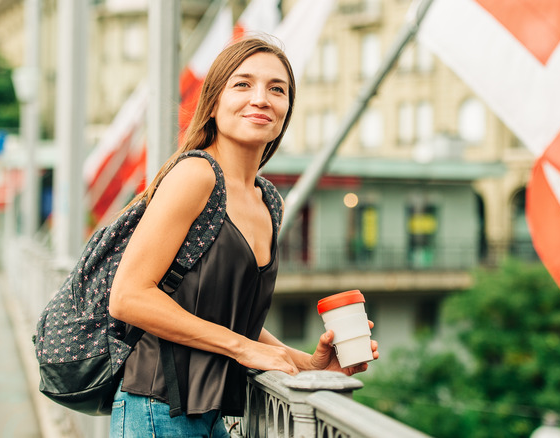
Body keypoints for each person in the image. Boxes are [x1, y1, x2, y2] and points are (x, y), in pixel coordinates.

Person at [108, 36, 379, 437]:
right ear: (214, 103)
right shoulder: (195, 175)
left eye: (277, 89)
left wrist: (309, 364)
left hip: (213, 416)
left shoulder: (269, 200)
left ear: (287, 110)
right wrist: (243, 349)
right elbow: (128, 297)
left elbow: (232, 320)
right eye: (242, 84)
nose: (261, 98)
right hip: (157, 411)